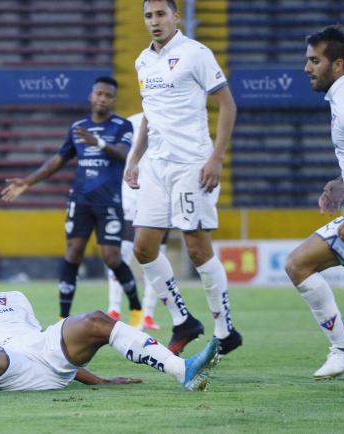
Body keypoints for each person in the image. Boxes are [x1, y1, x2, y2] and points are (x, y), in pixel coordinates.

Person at [0, 241, 219, 392]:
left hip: (43, 352)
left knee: (97, 320)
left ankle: (182, 370)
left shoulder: (15, 299)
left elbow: (39, 352)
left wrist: (98, 381)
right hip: (3, 368)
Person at [124, 0, 242, 356]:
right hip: (155, 167)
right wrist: (135, 158)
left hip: (192, 163)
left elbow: (228, 105)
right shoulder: (143, 61)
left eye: (161, 14)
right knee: (143, 248)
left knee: (196, 246)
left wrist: (216, 158)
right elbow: (150, 113)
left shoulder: (196, 53)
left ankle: (225, 331)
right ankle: (183, 321)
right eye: (149, 15)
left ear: (176, 16)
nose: (155, 21)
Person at [1, 77, 144, 326]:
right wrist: (28, 182)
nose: (102, 98)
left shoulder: (122, 126)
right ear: (91, 96)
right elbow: (58, 160)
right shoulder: (78, 127)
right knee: (73, 253)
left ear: (113, 100)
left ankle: (135, 307)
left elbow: (123, 154)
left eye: (108, 95)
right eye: (99, 93)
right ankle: (62, 316)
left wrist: (97, 142)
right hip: (80, 201)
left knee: (111, 257)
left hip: (108, 202)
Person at [285, 25, 344, 379]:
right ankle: (343, 349)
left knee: (298, 264)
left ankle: (343, 349)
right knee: (298, 264)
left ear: (338, 64)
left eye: (315, 60)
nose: (307, 68)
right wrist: (342, 183)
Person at [106, 112, 162, 331]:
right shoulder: (130, 122)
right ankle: (114, 309)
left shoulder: (169, 116)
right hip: (130, 194)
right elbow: (116, 155)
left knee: (156, 258)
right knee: (123, 255)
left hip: (158, 195)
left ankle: (148, 314)